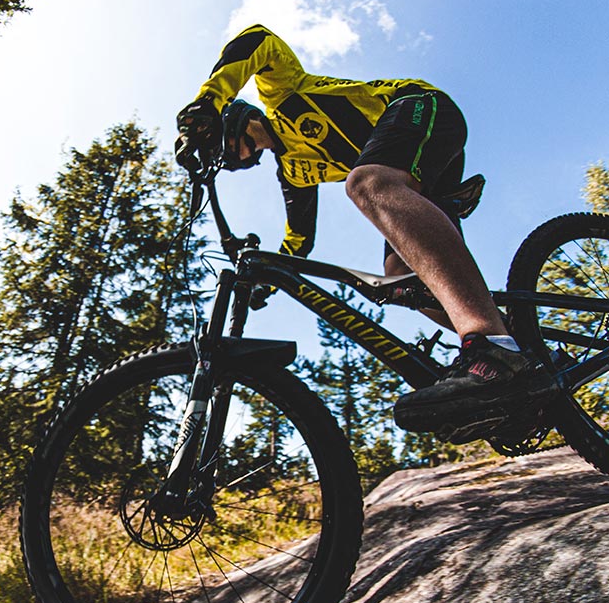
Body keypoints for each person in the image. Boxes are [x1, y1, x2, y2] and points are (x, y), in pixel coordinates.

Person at [175, 24, 557, 443]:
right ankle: (521, 348)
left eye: (227, 149)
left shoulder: (280, 91)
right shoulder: (295, 172)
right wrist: (267, 286)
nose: (236, 158)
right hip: (416, 172)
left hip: (418, 107)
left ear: (235, 122)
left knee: (366, 184)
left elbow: (257, 40)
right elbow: (299, 239)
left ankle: (490, 346)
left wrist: (210, 98)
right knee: (398, 274)